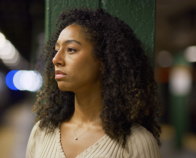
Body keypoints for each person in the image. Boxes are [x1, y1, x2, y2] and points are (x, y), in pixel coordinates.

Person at [26, 8, 162, 158]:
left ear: (104, 60)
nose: (56, 59)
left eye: (71, 49)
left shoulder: (137, 142)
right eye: (56, 50)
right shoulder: (42, 131)